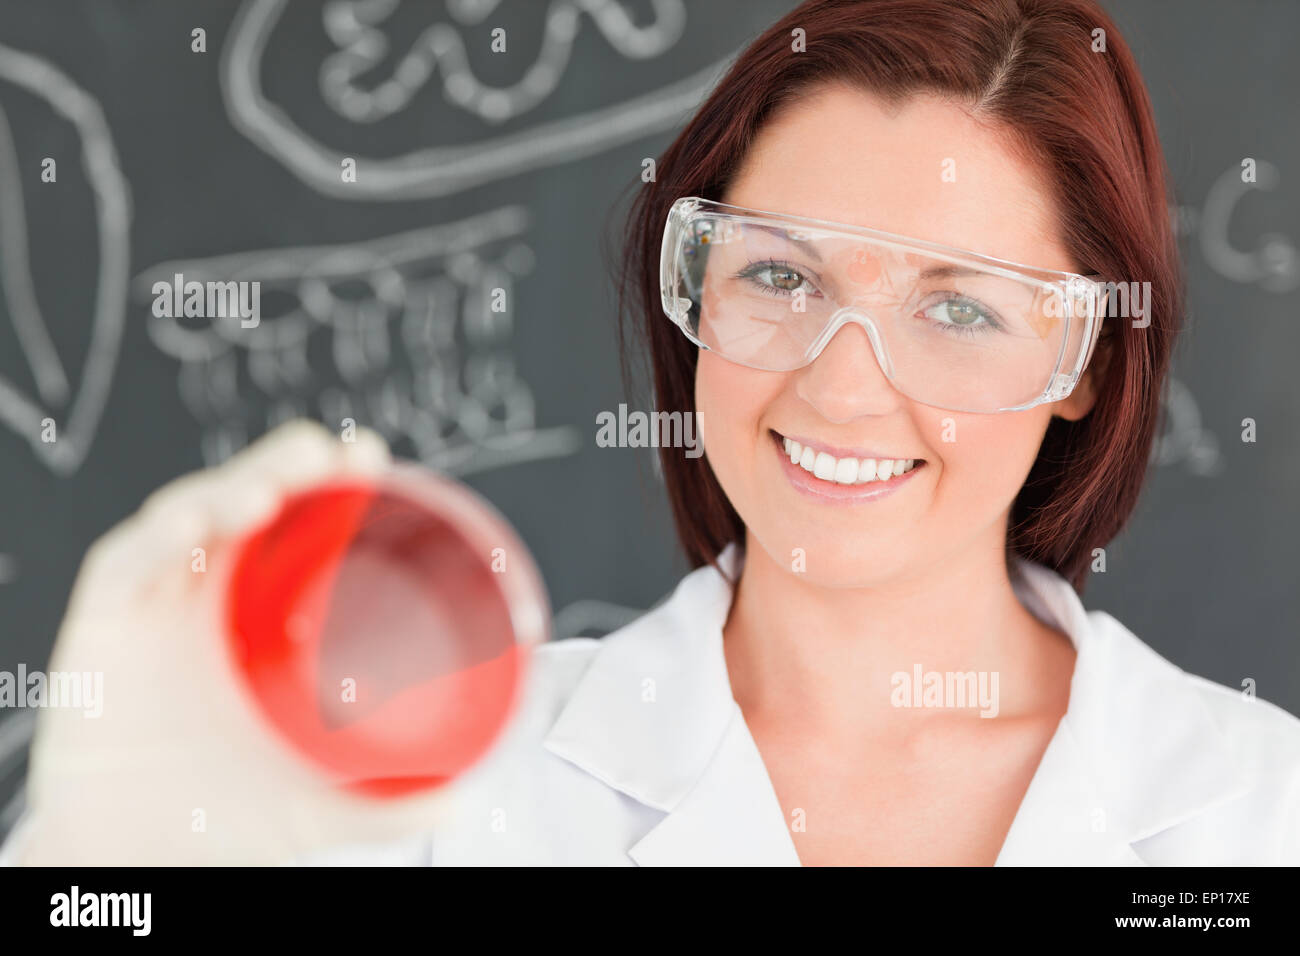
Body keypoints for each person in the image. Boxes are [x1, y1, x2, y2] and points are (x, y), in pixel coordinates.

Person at [4, 0, 1299, 866]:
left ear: (1081, 364)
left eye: (958, 307)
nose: (842, 392)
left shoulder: (1259, 811)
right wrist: (92, 864)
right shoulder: (450, 801)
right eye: (780, 278)